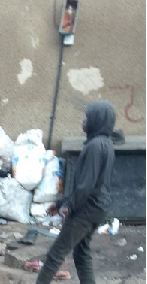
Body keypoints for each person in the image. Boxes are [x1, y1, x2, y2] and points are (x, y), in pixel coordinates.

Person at [36, 101, 116, 284]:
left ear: (97, 121)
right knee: (82, 254)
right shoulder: (106, 144)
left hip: (86, 209)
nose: (83, 121)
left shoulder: (95, 146)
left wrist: (68, 205)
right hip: (98, 207)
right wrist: (60, 203)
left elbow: (86, 185)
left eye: (87, 117)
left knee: (55, 255)